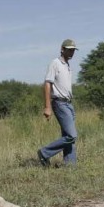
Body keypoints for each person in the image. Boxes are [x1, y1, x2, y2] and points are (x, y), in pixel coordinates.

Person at [38, 39, 78, 167]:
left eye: (73, 50)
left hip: (68, 103)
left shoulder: (66, 65)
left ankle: (71, 165)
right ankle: (44, 152)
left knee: (67, 136)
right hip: (60, 103)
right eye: (69, 49)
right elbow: (47, 84)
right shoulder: (55, 63)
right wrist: (47, 107)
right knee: (72, 136)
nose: (71, 52)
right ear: (62, 49)